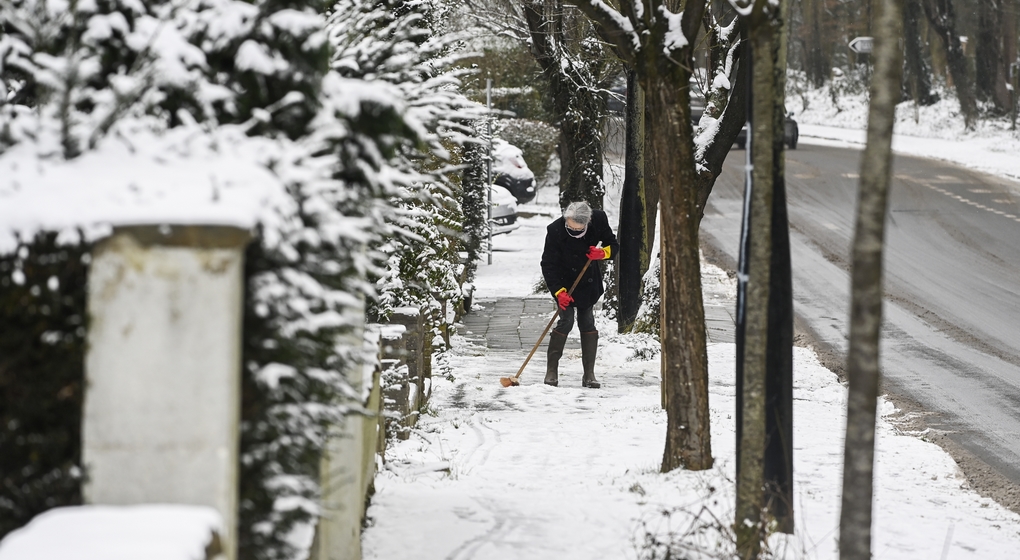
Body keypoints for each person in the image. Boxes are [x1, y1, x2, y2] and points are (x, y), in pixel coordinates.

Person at [540, 201, 619, 388]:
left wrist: (602, 253)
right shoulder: (555, 230)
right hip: (563, 282)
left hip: (587, 282)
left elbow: (613, 244)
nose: (574, 231)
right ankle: (551, 371)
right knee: (566, 321)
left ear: (588, 222)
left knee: (587, 321)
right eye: (570, 227)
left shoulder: (598, 220)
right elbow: (548, 264)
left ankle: (589, 374)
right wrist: (559, 292)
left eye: (578, 229)